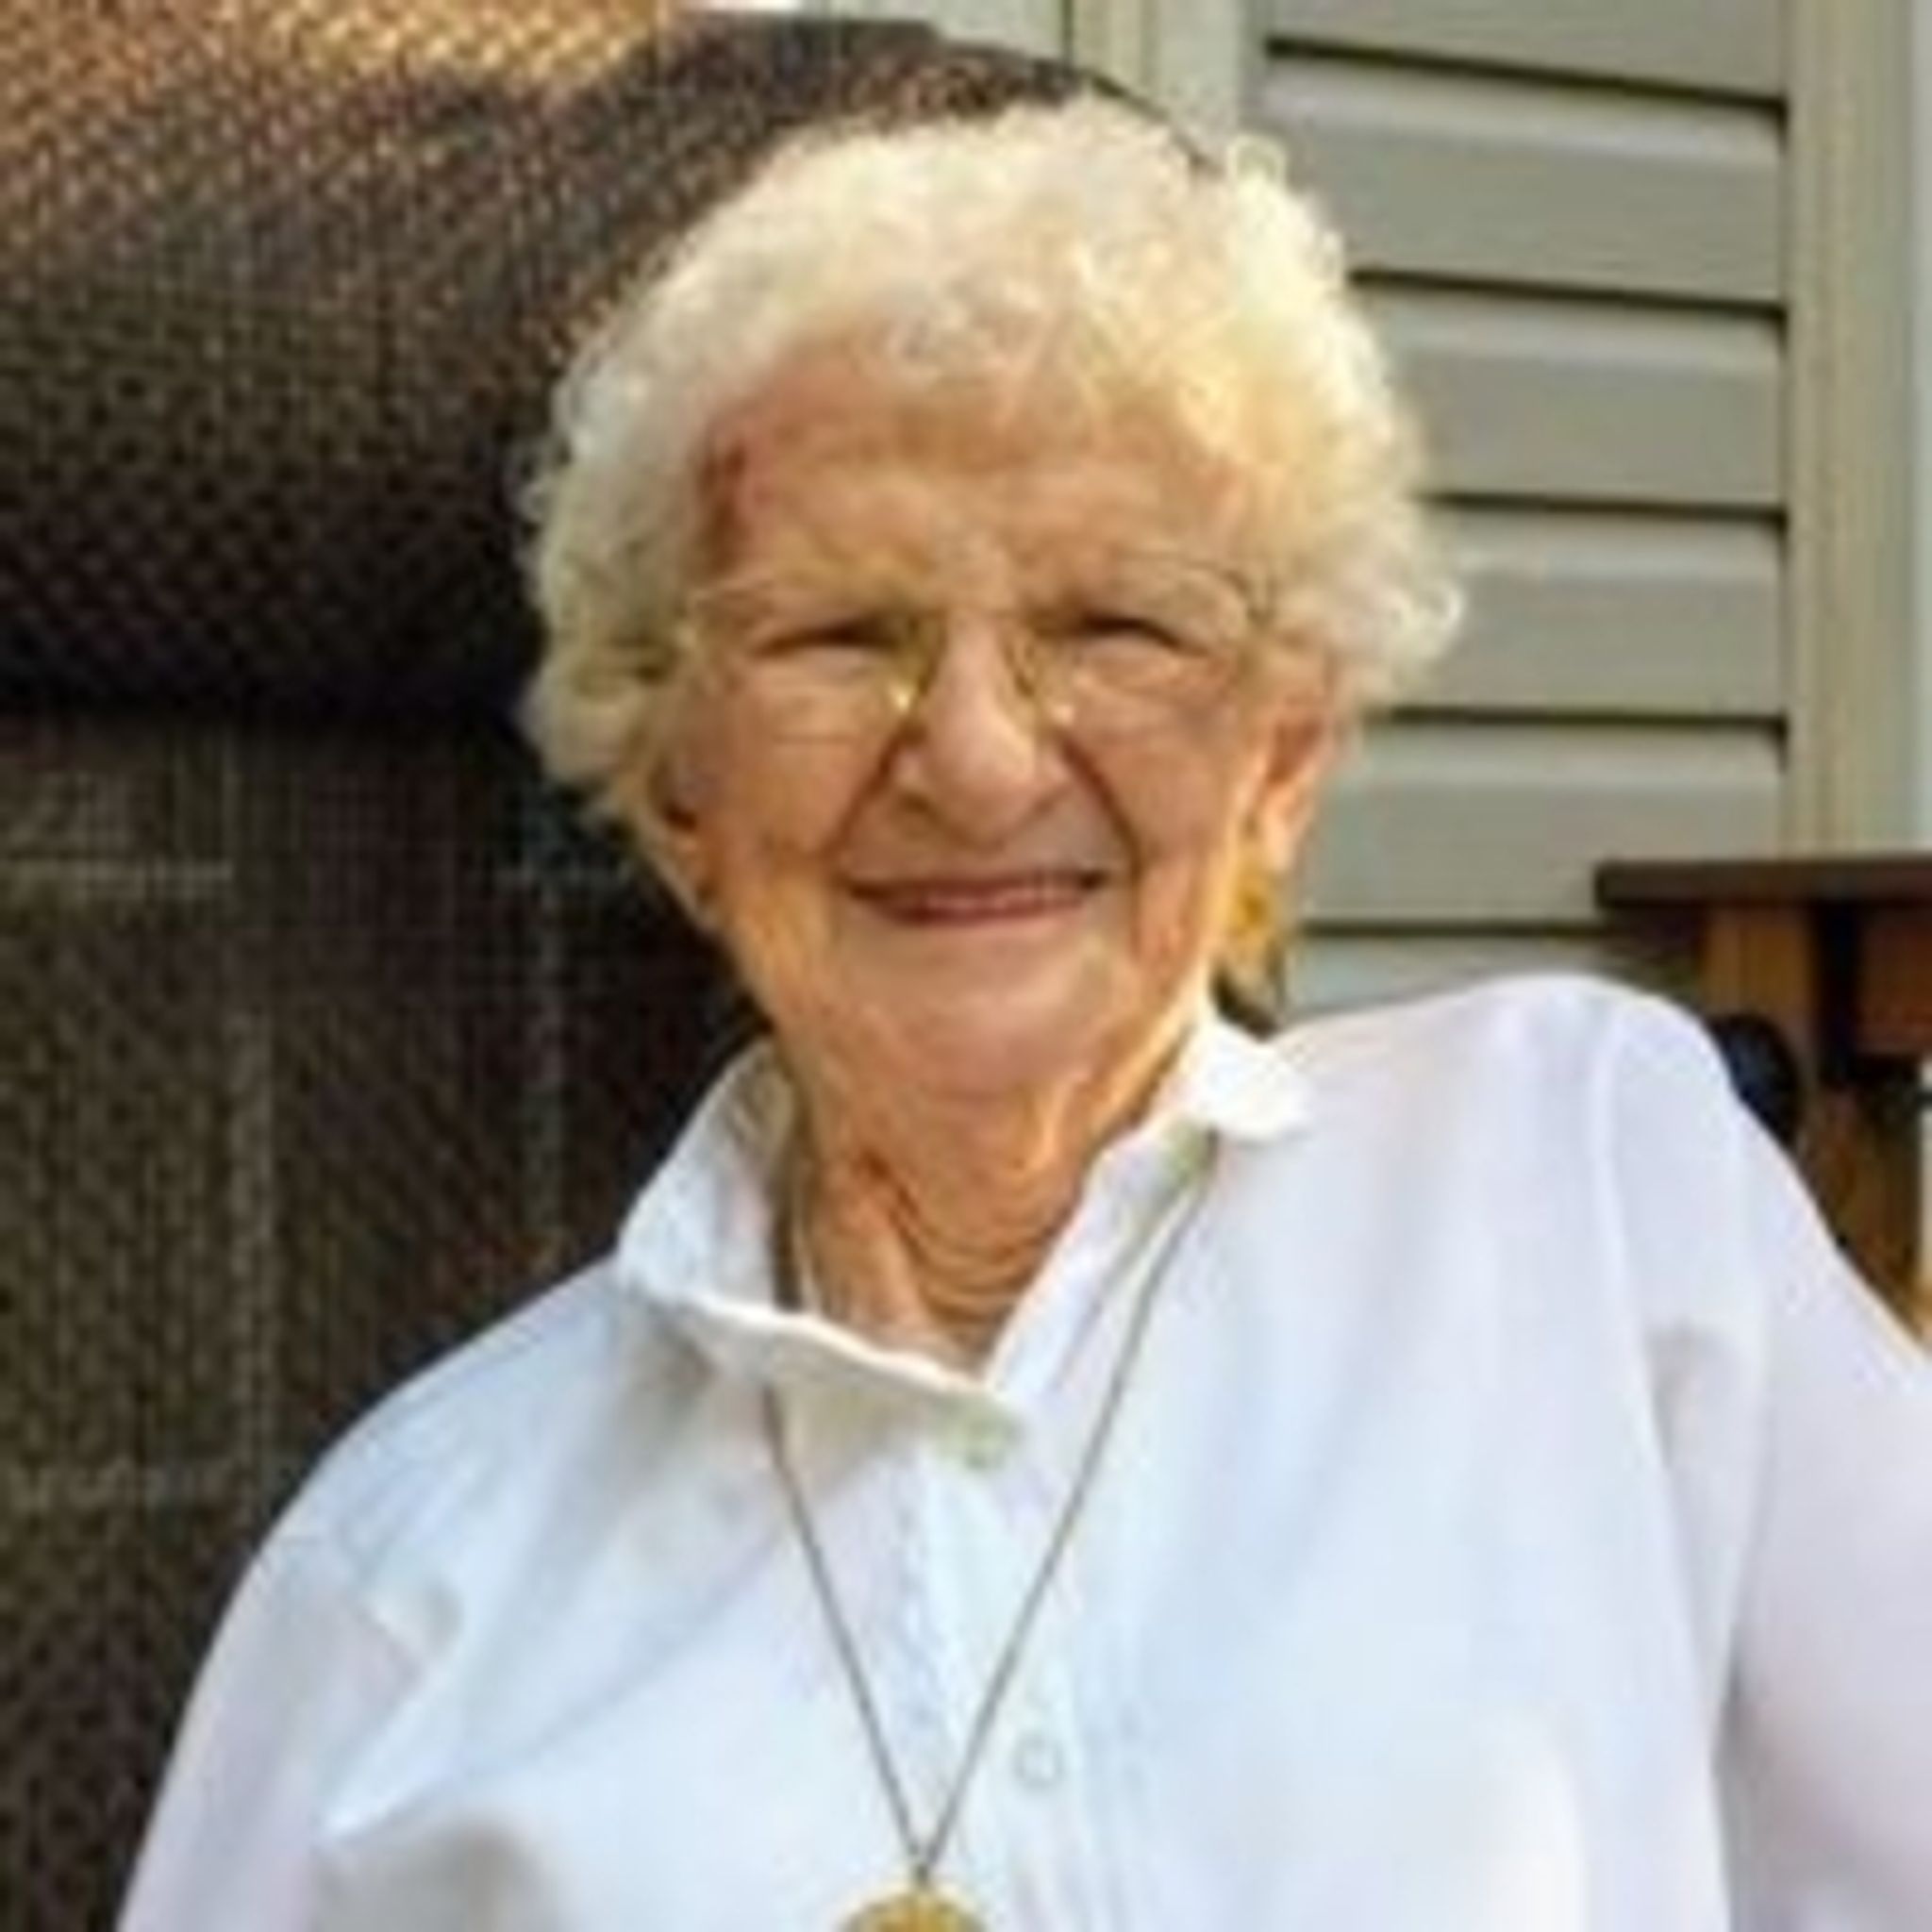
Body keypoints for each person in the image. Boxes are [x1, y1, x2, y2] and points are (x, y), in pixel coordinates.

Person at [122, 83, 1932, 1932]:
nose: (979, 765)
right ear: (677, 792)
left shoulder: (1586, 1202)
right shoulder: (410, 1578)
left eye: (1112, 626)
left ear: (1280, 761)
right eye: (840, 634)